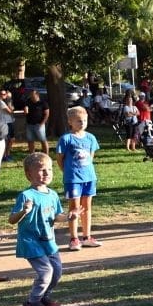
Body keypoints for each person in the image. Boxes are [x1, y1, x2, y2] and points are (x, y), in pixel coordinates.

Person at [9, 153, 68, 306]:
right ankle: (32, 304)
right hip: (31, 241)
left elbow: (56, 216)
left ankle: (43, 298)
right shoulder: (26, 196)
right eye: (42, 170)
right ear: (29, 174)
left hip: (48, 241)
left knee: (56, 272)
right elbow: (12, 220)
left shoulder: (53, 194)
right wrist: (23, 211)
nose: (47, 173)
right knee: (46, 272)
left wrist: (69, 217)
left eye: (50, 169)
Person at [55, 106, 101, 250]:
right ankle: (74, 238)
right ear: (70, 122)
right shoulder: (66, 139)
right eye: (79, 121)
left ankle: (87, 236)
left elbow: (91, 157)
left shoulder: (90, 138)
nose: (82, 123)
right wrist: (67, 171)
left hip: (89, 177)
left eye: (85, 120)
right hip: (73, 179)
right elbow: (59, 158)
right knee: (74, 208)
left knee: (86, 207)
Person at [24, 90, 50, 154]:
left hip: (39, 124)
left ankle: (46, 155)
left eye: (33, 95)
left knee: (43, 140)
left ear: (37, 95)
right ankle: (32, 155)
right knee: (30, 141)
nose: (31, 97)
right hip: (29, 124)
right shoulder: (28, 102)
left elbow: (47, 114)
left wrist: (42, 124)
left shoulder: (43, 103)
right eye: (30, 95)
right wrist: (25, 111)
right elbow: (25, 112)